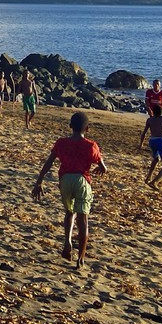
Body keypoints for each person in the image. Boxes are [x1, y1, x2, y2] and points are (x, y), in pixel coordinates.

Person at [32, 111, 108, 267]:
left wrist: (39, 182)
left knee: (69, 212)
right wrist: (101, 169)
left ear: (70, 126)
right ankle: (81, 258)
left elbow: (49, 162)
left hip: (65, 180)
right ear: (87, 129)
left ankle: (67, 242)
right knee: (83, 219)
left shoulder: (61, 143)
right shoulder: (91, 145)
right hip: (82, 180)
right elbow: (102, 166)